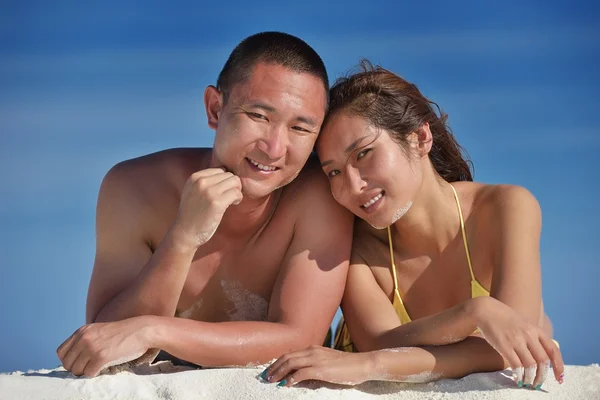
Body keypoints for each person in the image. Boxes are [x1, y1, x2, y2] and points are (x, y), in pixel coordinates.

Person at [56, 31, 353, 378]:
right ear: (215, 108)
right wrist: (183, 237)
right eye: (259, 116)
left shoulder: (318, 196)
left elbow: (300, 340)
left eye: (300, 129)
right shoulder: (133, 188)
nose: (274, 148)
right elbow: (106, 340)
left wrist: (153, 330)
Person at [261, 61, 565, 391]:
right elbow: (380, 345)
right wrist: (475, 313)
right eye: (333, 172)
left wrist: (375, 363)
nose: (352, 185)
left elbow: (511, 347)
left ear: (420, 138)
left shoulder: (505, 208)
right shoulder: (356, 246)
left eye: (363, 153)